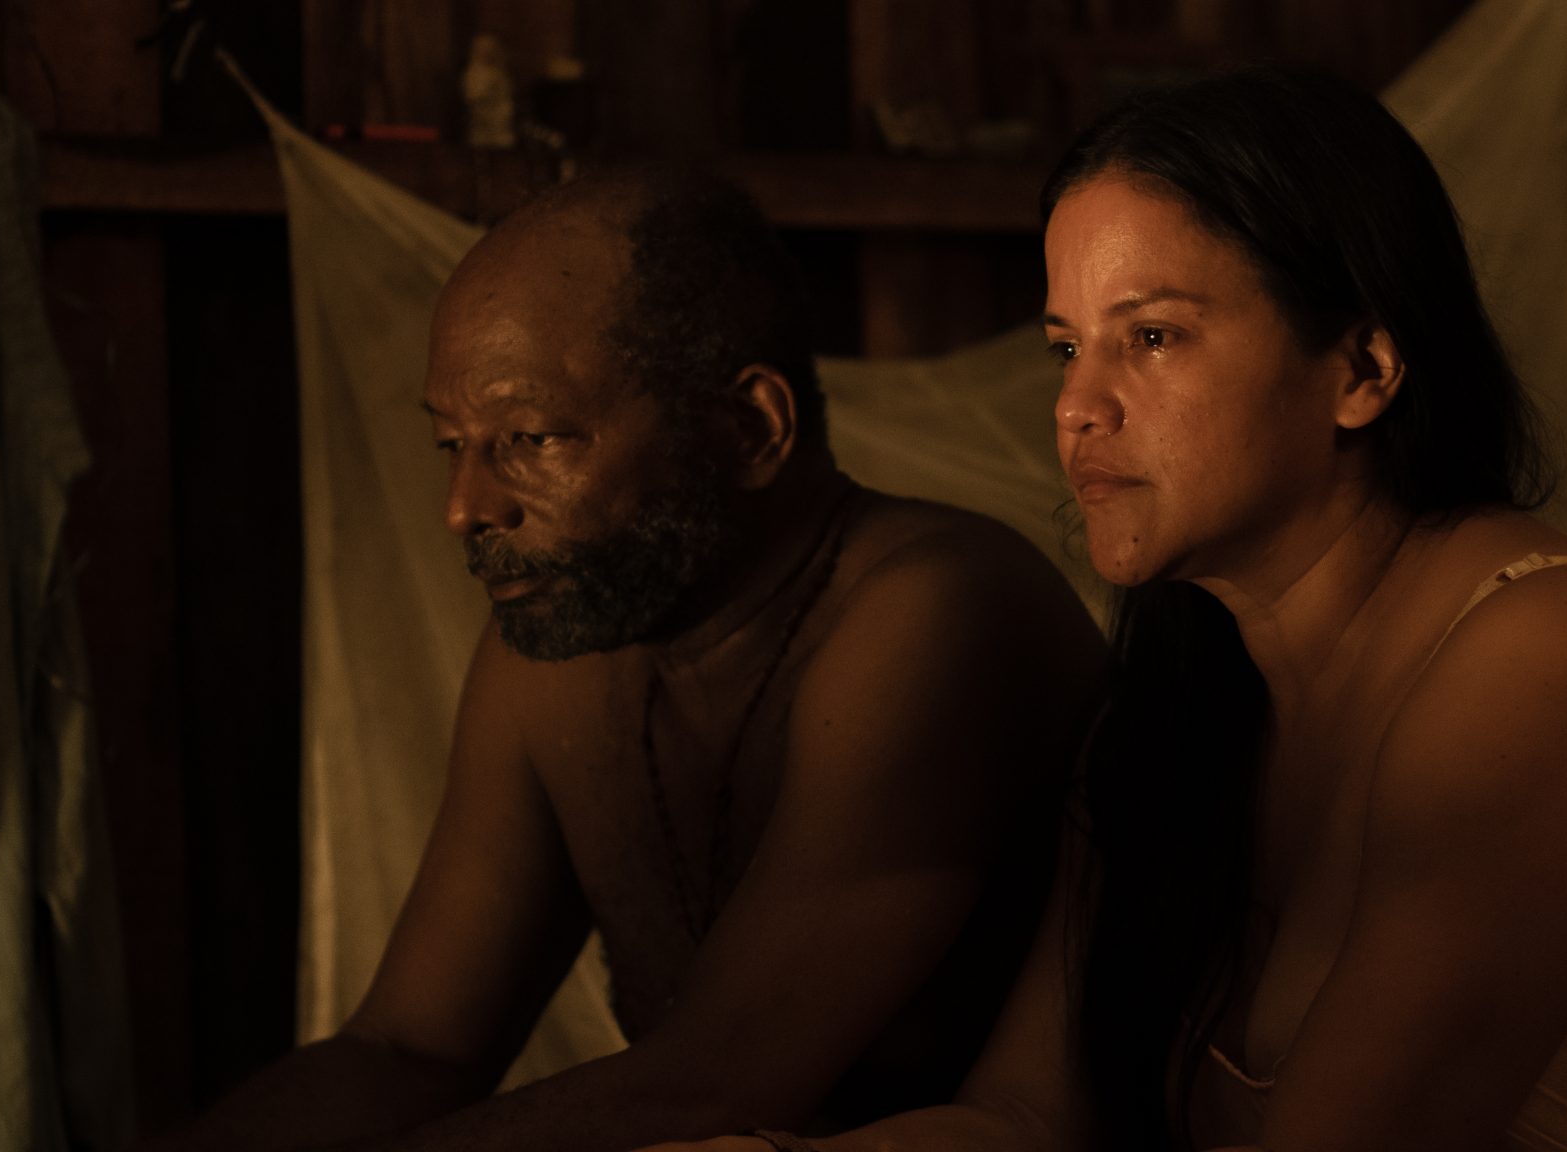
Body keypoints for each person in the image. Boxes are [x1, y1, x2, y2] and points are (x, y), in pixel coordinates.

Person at [642, 66, 1567, 1152]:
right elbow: (1028, 1121)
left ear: (1360, 371)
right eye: (1063, 346)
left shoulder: (1544, 672)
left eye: (1153, 338)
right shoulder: (1181, 708)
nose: (1079, 407)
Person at [153, 168, 1106, 1152]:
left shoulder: (934, 608)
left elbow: (718, 1084)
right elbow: (408, 1050)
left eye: (527, 439)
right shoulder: (559, 649)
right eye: (453, 444)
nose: (466, 507)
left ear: (749, 429)